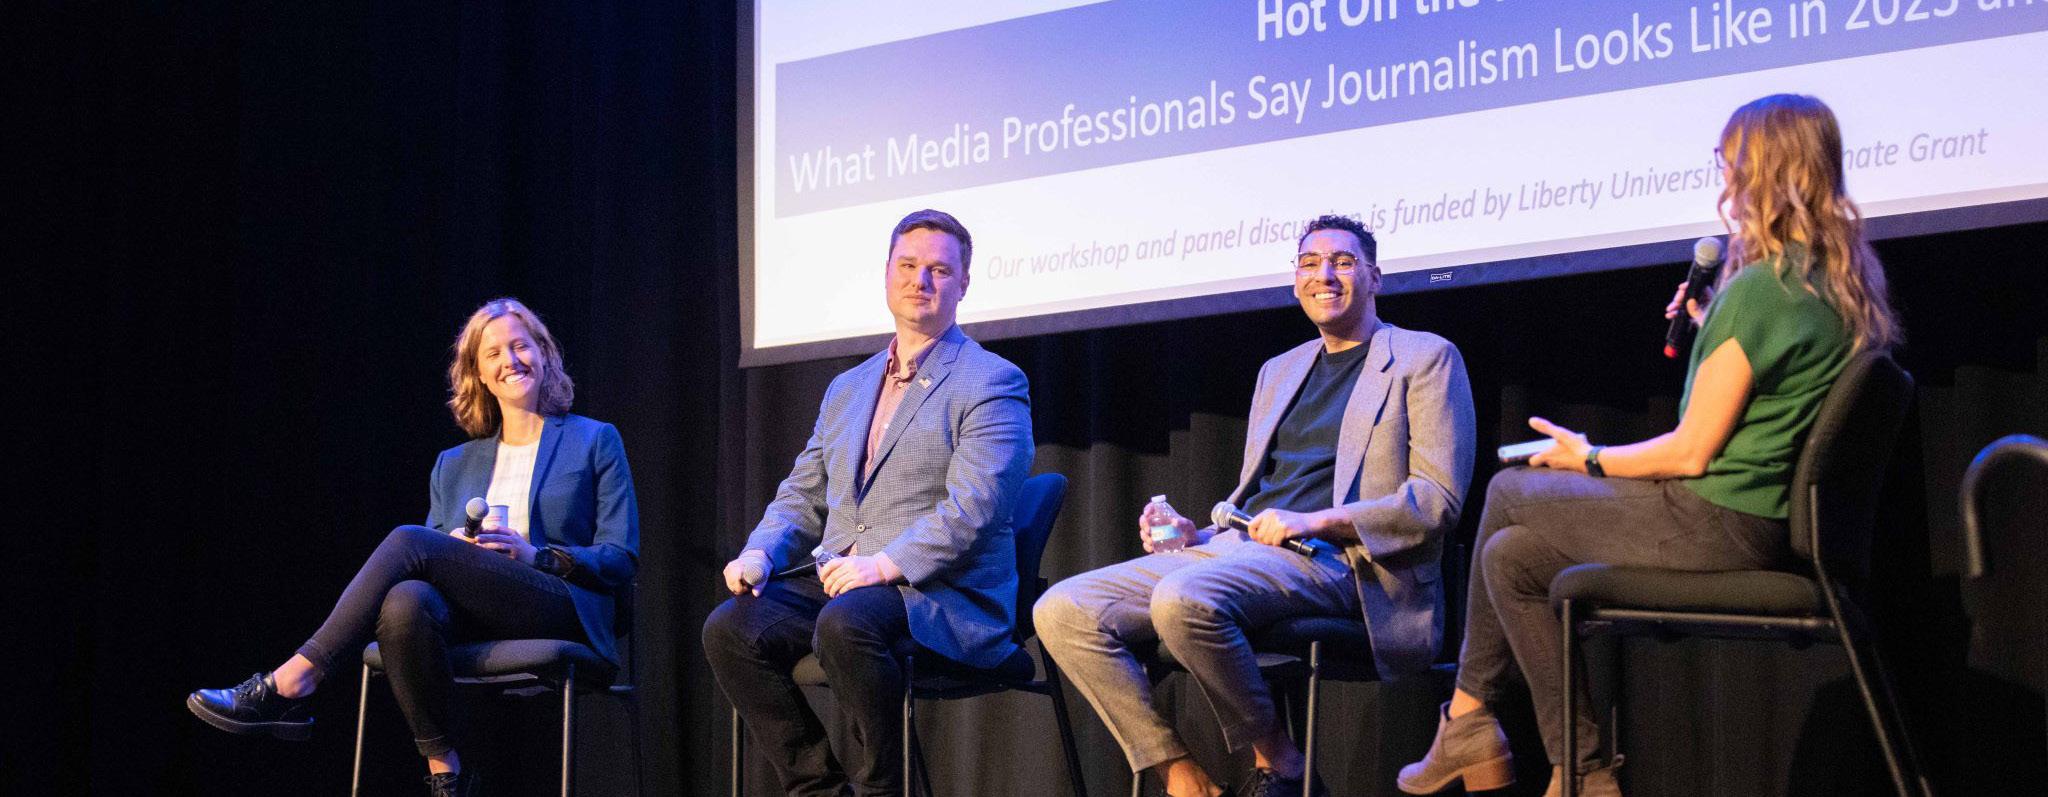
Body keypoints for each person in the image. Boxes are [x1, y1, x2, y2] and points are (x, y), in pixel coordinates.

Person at [1398, 94, 1903, 797]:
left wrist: (1589, 457)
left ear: (1762, 170)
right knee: (1511, 557)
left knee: (1509, 488)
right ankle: (1583, 771)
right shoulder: (1831, 284)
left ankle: (1466, 719)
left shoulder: (1760, 290)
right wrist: (1713, 324)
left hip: (1719, 520)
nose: (1723, 173)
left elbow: (1691, 453)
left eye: (1730, 158)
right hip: (1756, 523)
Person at [1034, 214, 1478, 797]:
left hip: (1343, 560)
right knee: (1062, 609)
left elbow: (1436, 501)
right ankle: (1181, 774)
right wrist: (1195, 536)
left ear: (1375, 277)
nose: (1325, 275)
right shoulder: (1279, 370)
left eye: (1343, 262)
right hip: (1245, 550)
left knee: (1183, 598)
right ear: (1295, 281)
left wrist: (1318, 520)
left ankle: (1281, 763)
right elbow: (1262, 496)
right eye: (1310, 263)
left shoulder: (1425, 358)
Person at [186, 298, 640, 797]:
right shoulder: (453, 464)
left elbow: (621, 555)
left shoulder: (594, 440)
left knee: (408, 540)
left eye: (520, 346)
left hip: (559, 604)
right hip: (479, 611)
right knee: (405, 601)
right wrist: (456, 548)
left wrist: (536, 556)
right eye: (493, 354)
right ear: (479, 375)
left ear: (544, 354)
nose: (510, 360)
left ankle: (296, 678)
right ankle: (448, 776)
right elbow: (421, 568)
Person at [702, 209, 1034, 797]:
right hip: (845, 584)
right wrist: (760, 553)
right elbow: (804, 491)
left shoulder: (991, 380)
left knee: (846, 622)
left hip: (939, 592)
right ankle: (818, 789)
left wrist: (884, 565)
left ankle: (885, 788)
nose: (920, 281)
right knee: (730, 628)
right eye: (907, 265)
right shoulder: (848, 388)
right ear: (886, 274)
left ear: (963, 283)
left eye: (939, 270)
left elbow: (977, 506)